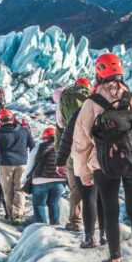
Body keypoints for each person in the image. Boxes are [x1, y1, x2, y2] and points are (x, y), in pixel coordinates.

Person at [72, 53, 132, 262]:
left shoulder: (92, 104)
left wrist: (84, 174)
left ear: (98, 74)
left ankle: (116, 261)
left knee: (110, 211)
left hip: (104, 164)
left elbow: (80, 143)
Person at [57, 95, 106, 248]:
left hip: (83, 160)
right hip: (105, 161)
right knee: (104, 198)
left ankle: (89, 237)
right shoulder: (110, 109)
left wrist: (60, 160)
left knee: (88, 197)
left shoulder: (80, 112)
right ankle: (104, 234)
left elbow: (66, 137)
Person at [55, 77, 93, 230]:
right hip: (91, 147)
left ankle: (76, 221)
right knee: (94, 184)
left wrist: (60, 157)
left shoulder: (63, 102)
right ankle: (96, 222)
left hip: (72, 149)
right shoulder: (93, 100)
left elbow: (60, 130)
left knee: (76, 187)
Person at [0, 108, 35, 224]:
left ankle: (11, 215)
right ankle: (18, 215)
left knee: (7, 191)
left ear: (0, 121)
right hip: (22, 164)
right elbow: (33, 147)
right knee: (19, 190)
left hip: (5, 165)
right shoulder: (24, 131)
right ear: (12, 118)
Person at [27, 127, 66, 224]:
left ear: (45, 138)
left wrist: (25, 179)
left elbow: (30, 164)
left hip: (40, 180)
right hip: (59, 180)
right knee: (53, 203)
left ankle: (41, 227)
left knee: (39, 205)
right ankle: (55, 226)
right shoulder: (63, 148)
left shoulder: (38, 147)